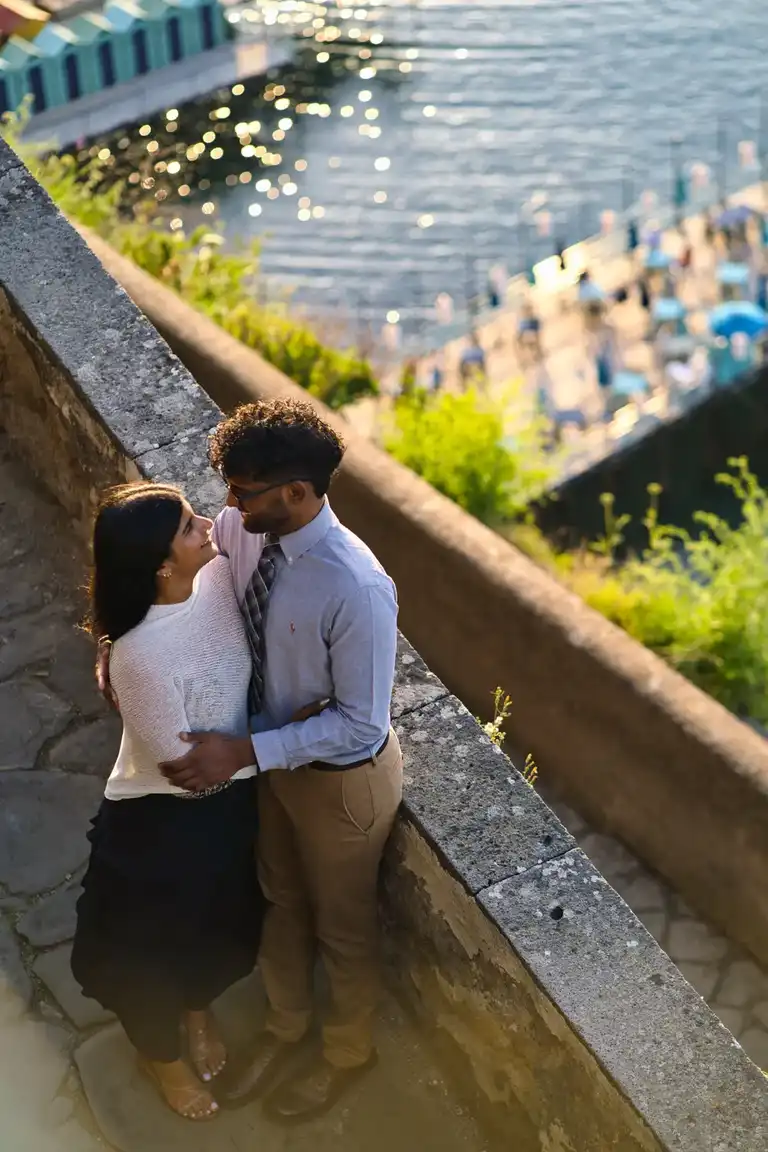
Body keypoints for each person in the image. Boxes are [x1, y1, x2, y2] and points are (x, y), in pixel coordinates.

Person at [131, 400, 404, 1122]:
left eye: (242, 490)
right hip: (273, 763)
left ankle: (349, 1053)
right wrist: (121, 641)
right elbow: (176, 572)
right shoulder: (245, 532)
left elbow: (360, 723)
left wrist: (246, 750)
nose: (225, 506)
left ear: (297, 493)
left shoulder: (356, 587)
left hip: (339, 783)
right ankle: (287, 1028)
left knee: (343, 929)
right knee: (279, 900)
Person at [73, 483, 264, 1121]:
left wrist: (239, 758)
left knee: (212, 930)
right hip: (160, 825)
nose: (207, 523)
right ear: (160, 565)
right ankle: (164, 1060)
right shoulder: (139, 657)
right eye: (188, 525)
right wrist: (258, 753)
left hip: (229, 803)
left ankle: (197, 1007)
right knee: (147, 955)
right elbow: (184, 770)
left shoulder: (214, 578)